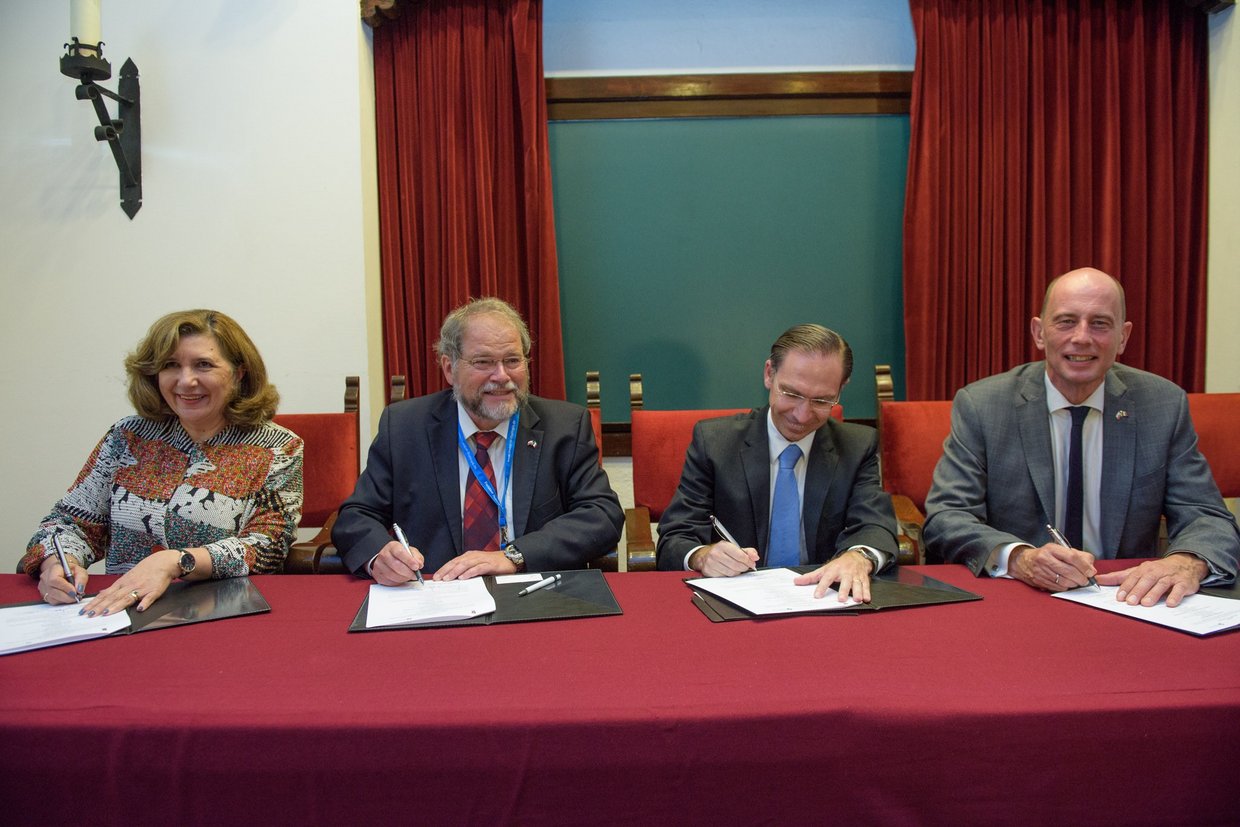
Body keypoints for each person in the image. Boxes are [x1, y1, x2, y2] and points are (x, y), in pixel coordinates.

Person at [923, 267, 1239, 607]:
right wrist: (1019, 558)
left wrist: (1186, 562)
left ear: (1123, 337)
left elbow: (1206, 516)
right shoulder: (983, 405)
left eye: (1100, 323)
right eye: (1066, 321)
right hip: (1019, 597)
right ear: (1039, 332)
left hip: (1126, 599)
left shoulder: (1162, 405)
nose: (1082, 337)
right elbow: (947, 516)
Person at [22, 309, 304, 615]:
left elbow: (268, 548)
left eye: (203, 365)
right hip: (117, 613)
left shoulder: (277, 447)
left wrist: (176, 561)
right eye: (171, 365)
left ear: (239, 373)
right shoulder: (128, 435)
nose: (186, 381)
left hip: (218, 614)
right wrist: (56, 562)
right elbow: (69, 523)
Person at [332, 297, 623, 582]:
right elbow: (356, 516)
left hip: (532, 591)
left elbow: (601, 515)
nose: (501, 376)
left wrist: (514, 556)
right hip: (435, 594)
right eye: (483, 362)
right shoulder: (405, 427)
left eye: (512, 360)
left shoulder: (565, 426)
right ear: (449, 369)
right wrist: (380, 555)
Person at [655, 324, 899, 602]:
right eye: (792, 394)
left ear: (841, 389)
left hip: (823, 599)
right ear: (769, 374)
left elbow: (875, 525)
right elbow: (676, 536)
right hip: (737, 601)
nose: (802, 415)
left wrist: (859, 556)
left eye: (822, 400)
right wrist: (702, 556)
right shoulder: (714, 442)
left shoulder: (857, 446)